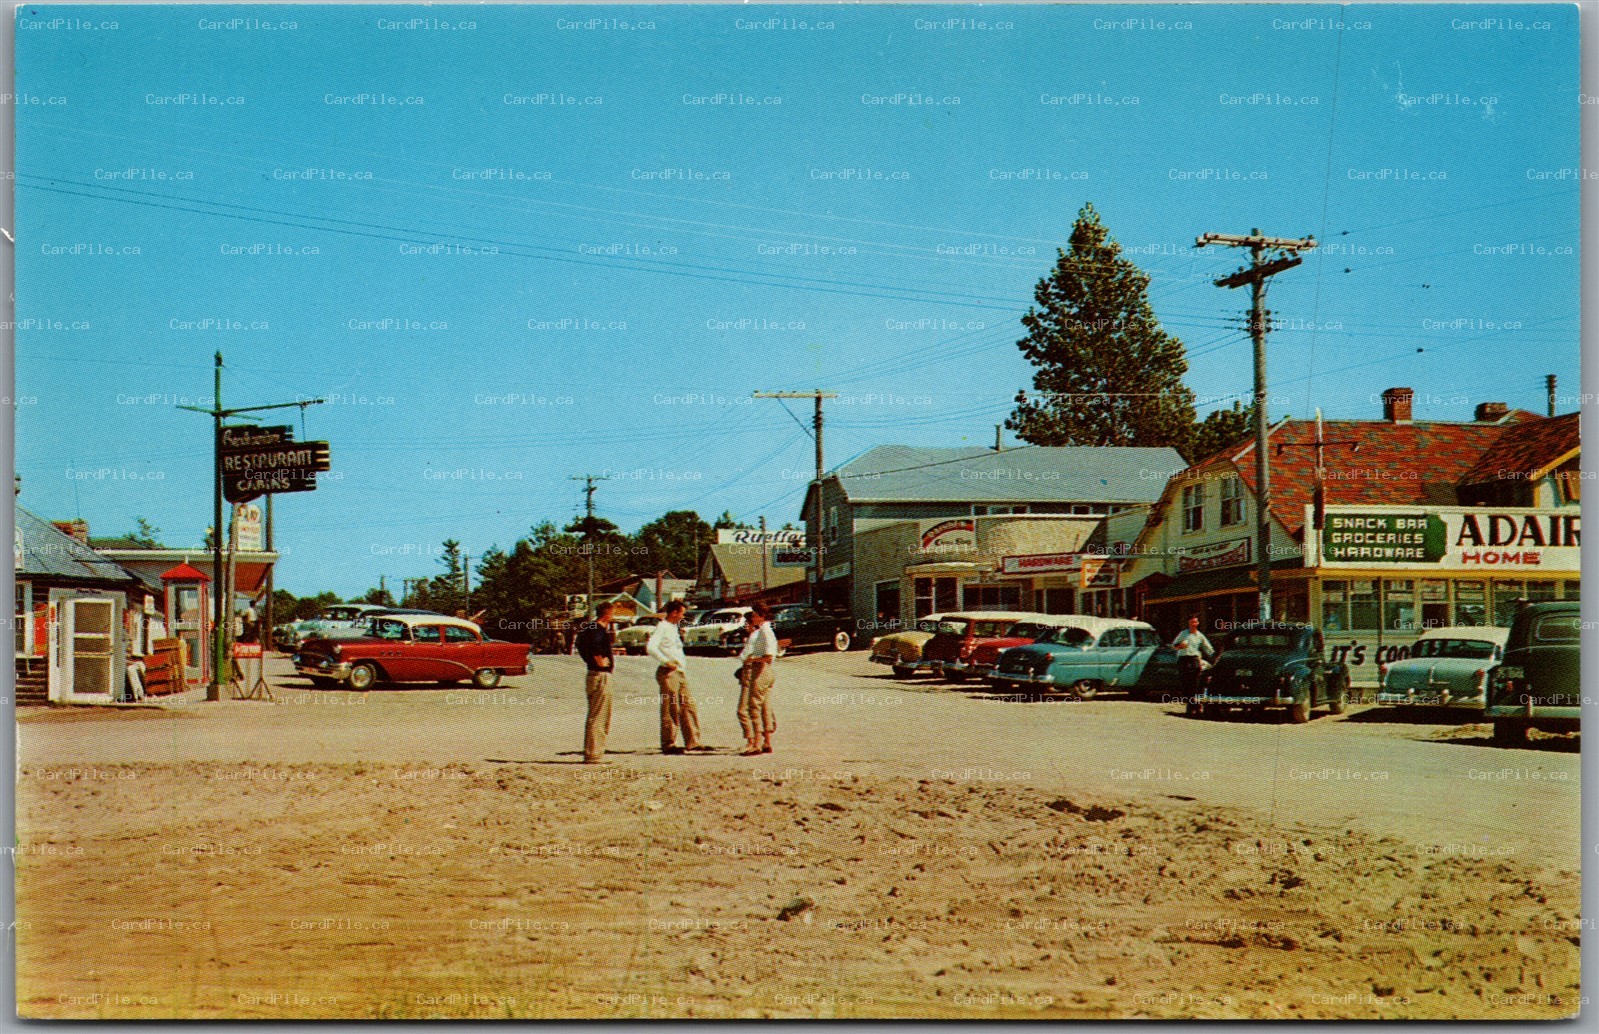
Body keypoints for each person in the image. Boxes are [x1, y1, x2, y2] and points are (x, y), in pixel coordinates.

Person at [646, 600, 707, 755]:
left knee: (688, 706)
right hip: (669, 673)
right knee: (671, 707)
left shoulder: (673, 628)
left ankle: (693, 741)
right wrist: (666, 661)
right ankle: (669, 743)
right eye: (682, 613)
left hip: (679, 672)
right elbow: (651, 647)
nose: (683, 617)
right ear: (674, 612)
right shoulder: (662, 627)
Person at [574, 603, 616, 764]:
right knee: (599, 715)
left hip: (593, 675)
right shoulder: (598, 630)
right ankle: (594, 753)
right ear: (607, 614)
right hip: (601, 675)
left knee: (595, 714)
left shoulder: (589, 629)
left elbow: (580, 644)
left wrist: (588, 659)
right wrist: (599, 661)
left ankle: (593, 751)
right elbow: (596, 648)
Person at [737, 603, 779, 756]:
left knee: (753, 707)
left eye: (754, 615)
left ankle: (756, 744)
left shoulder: (765, 632)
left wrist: (752, 660)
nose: (752, 618)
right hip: (765, 672)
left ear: (762, 616)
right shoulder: (763, 631)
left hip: (761, 671)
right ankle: (765, 742)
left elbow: (767, 657)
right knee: (763, 707)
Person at [1172, 615, 1215, 701]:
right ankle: (1188, 699)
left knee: (1196, 678)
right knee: (1185, 680)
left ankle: (1194, 698)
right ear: (1189, 623)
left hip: (1194, 659)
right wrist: (1181, 646)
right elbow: (1174, 646)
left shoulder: (1200, 635)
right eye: (1192, 622)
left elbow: (1208, 648)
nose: (1193, 624)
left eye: (1195, 622)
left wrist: (1214, 656)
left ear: (1198, 623)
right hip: (1183, 659)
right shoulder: (1183, 633)